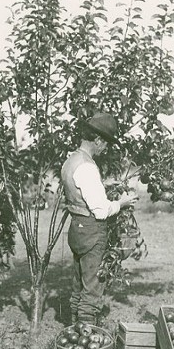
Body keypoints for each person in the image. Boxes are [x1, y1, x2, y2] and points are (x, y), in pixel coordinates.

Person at [60, 112, 138, 325]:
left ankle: (74, 329)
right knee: (93, 285)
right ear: (98, 140)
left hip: (77, 227)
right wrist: (122, 202)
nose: (105, 149)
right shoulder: (88, 166)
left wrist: (103, 185)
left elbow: (80, 191)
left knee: (78, 283)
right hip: (92, 230)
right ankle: (86, 335)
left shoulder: (72, 160)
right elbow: (101, 210)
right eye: (106, 144)